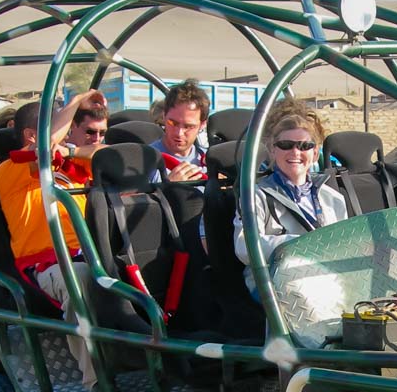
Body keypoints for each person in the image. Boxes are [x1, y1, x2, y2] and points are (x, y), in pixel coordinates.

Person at [0, 89, 108, 385]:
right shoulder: (10, 170)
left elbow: (103, 155)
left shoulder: (73, 166)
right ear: (32, 135)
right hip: (45, 263)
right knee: (80, 278)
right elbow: (46, 151)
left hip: (91, 251)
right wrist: (74, 102)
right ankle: (96, 379)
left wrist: (70, 152)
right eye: (62, 128)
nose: (67, 136)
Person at [233, 99, 347, 292]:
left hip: (324, 277)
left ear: (315, 152)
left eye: (304, 146)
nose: (295, 152)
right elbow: (244, 247)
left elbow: (343, 245)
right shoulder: (256, 196)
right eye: (286, 145)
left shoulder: (333, 198)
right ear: (272, 149)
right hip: (275, 281)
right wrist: (301, 244)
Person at [149, 79, 208, 183]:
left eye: (188, 126)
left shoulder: (211, 162)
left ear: (202, 124)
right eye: (173, 123)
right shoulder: (145, 161)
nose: (179, 133)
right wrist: (166, 187)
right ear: (164, 117)